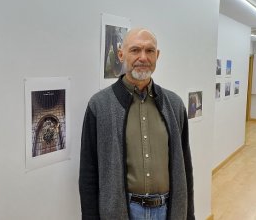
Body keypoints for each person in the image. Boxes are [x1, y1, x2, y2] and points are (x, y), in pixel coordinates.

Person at [79, 28, 194, 220]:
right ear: (121, 54)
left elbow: (185, 167)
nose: (143, 57)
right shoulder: (99, 105)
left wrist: (189, 214)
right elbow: (88, 173)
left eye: (149, 51)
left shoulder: (174, 104)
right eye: (135, 50)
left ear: (157, 55)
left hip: (167, 210)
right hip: (121, 211)